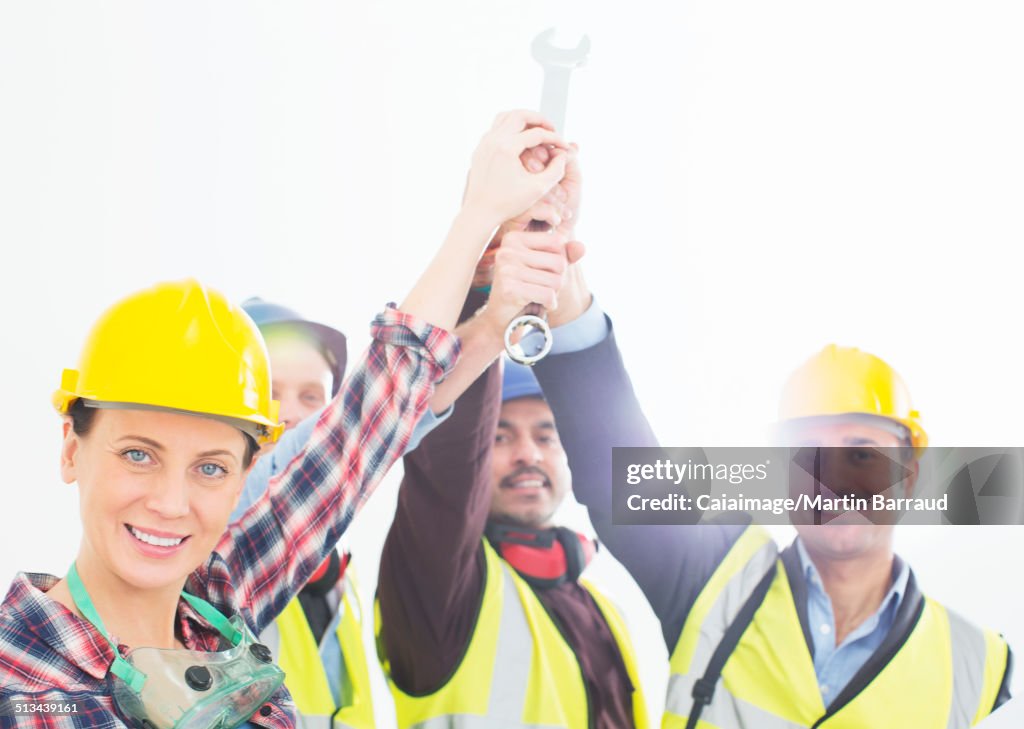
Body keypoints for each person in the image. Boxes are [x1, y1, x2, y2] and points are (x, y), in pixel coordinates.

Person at [0, 110, 573, 728]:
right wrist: (477, 221)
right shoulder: (20, 681)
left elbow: (365, 429)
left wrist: (492, 306)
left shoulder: (218, 599)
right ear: (70, 448)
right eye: (138, 454)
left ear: (247, 470)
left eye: (211, 468)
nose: (170, 503)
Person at [530, 332, 1014, 727]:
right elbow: (618, 468)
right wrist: (566, 294)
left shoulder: (982, 668)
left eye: (862, 451)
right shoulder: (717, 577)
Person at [375, 147, 650, 729]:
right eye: (502, 436)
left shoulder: (603, 611)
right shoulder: (438, 582)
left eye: (547, 435)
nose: (528, 454)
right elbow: (448, 466)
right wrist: (485, 282)